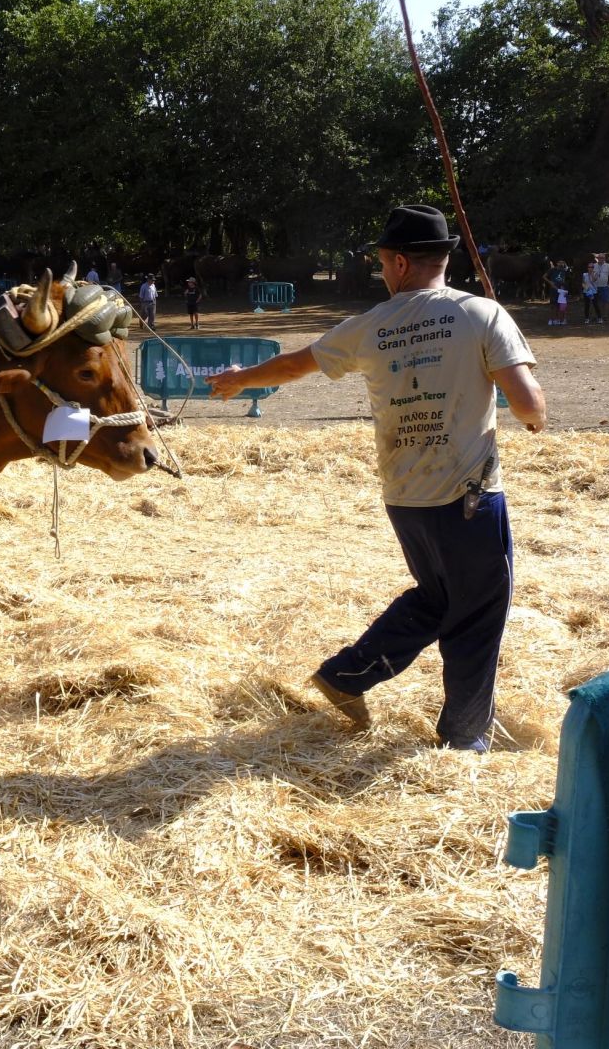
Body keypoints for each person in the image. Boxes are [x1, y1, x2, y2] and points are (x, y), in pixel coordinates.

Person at [207, 204, 546, 751]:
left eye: (383, 262)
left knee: (437, 597)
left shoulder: (368, 327)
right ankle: (464, 739)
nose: (382, 272)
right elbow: (527, 405)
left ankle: (348, 675)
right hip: (468, 495)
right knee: (479, 612)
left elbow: (294, 365)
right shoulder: (482, 313)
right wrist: (534, 414)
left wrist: (240, 380)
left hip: (404, 493)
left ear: (401, 262)